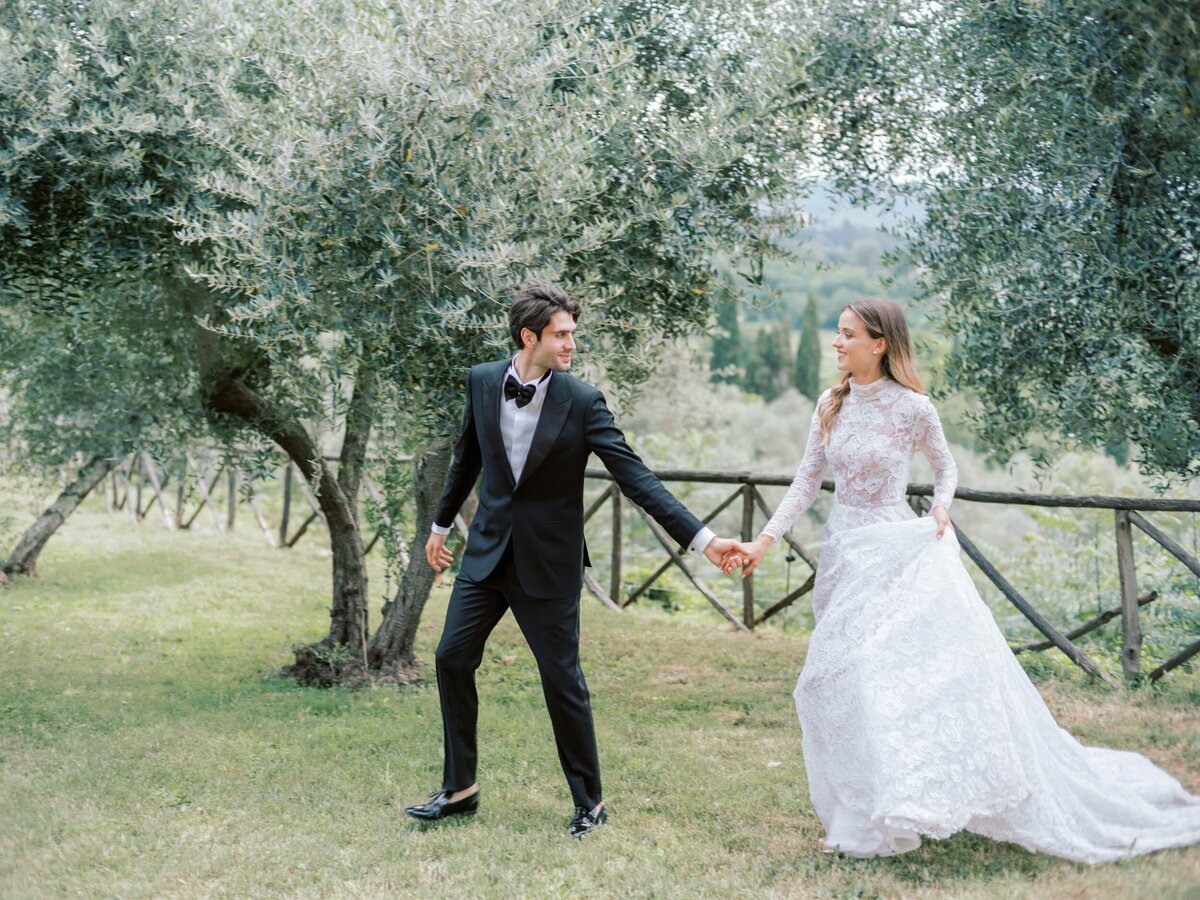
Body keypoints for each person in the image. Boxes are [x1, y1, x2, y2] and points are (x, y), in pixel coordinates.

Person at [724, 296, 1200, 863]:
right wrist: (764, 540)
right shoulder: (830, 403)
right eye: (836, 333)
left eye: (847, 334)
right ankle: (863, 802)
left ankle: (883, 813)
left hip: (896, 552)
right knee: (841, 680)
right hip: (844, 556)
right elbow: (806, 482)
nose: (836, 342)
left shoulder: (914, 408)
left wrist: (942, 508)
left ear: (879, 343)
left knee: (878, 676)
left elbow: (946, 468)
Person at [405, 284, 737, 838]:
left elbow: (636, 478)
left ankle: (590, 803)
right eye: (562, 335)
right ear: (528, 336)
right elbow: (469, 457)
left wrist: (703, 540)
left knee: (562, 681)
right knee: (451, 658)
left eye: (573, 334)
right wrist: (440, 527)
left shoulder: (582, 401)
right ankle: (460, 788)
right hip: (486, 555)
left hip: (549, 564)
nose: (571, 344)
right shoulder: (483, 380)